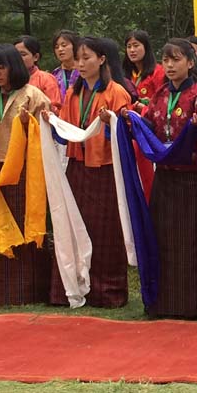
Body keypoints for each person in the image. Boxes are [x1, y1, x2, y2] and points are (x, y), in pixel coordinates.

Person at [135, 38, 197, 318]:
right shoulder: (159, 94)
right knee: (163, 239)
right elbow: (148, 124)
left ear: (190, 63)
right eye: (166, 60)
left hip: (193, 180)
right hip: (165, 178)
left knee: (192, 241)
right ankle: (164, 302)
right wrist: (130, 119)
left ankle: (193, 304)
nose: (170, 65)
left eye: (176, 59)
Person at [48, 36, 132, 308]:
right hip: (77, 166)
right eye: (78, 59)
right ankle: (70, 287)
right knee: (74, 225)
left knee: (105, 230)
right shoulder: (73, 93)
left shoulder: (116, 92)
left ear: (102, 59)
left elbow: (126, 133)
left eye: (86, 58)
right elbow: (65, 133)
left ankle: (106, 291)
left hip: (105, 168)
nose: (81, 64)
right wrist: (50, 121)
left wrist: (111, 123)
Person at [0, 44, 51, 307]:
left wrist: (27, 124)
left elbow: (48, 133)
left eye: (2, 68)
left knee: (23, 224)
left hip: (23, 171)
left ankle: (27, 290)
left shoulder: (33, 95)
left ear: (14, 67)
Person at [13, 35, 62, 111]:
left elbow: (55, 109)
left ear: (36, 57)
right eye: (15, 55)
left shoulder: (46, 79)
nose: (18, 59)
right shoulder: (10, 80)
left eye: (23, 54)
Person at [122, 30, 165, 113]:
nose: (132, 50)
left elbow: (163, 103)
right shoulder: (125, 74)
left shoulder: (158, 72)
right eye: (129, 46)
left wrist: (146, 106)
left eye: (136, 46)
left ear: (146, 47)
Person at [51, 29, 81, 103]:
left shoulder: (83, 71)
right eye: (56, 47)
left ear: (75, 46)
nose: (60, 49)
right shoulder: (54, 74)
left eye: (64, 45)